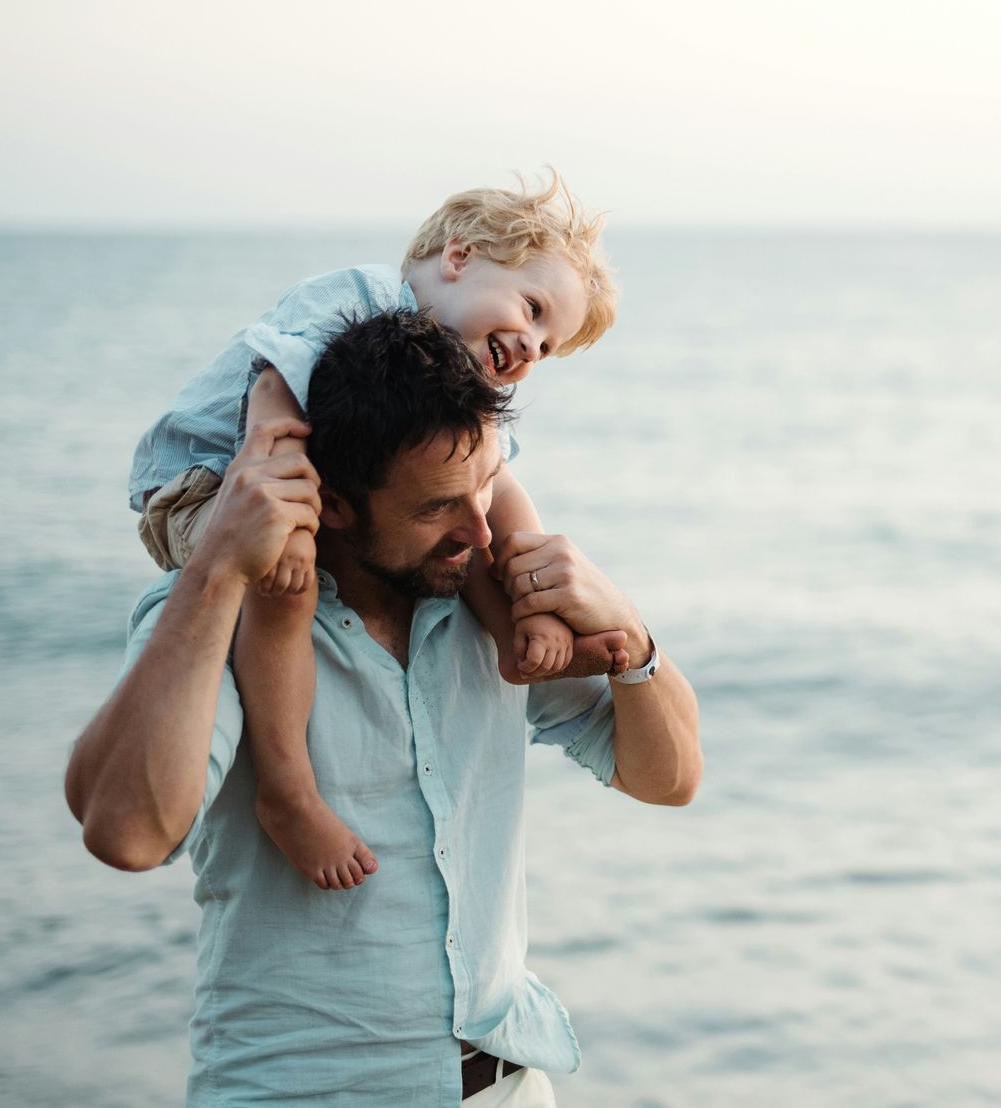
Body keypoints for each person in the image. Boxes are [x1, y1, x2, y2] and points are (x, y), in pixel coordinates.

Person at [67, 312, 700, 1105]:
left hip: (507, 1086)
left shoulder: (487, 599)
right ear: (332, 503)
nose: (478, 530)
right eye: (438, 507)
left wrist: (633, 637)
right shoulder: (216, 617)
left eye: (485, 490)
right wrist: (218, 568)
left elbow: (666, 779)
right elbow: (125, 833)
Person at [128, 173, 625, 891]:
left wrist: (537, 594)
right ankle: (288, 791)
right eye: (533, 307)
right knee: (284, 579)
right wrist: (279, 506)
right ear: (459, 257)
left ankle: (521, 633)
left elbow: (494, 481)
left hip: (292, 472)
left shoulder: (450, 375)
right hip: (207, 479)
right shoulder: (360, 296)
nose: (530, 347)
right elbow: (272, 389)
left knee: (490, 484)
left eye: (547, 345)